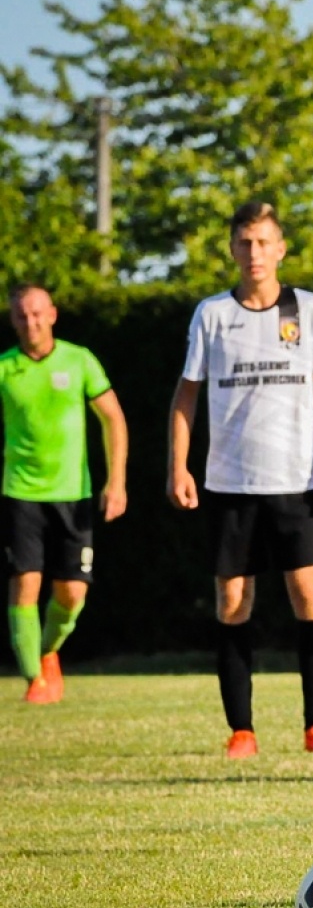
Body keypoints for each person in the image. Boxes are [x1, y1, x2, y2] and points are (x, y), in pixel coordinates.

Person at [169, 202, 313, 759]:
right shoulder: (212, 315)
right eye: (244, 243)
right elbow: (187, 395)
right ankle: (241, 730)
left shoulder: (308, 310)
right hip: (229, 483)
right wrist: (179, 465)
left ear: (280, 249)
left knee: (309, 594)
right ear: (232, 249)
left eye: (264, 242)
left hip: (296, 481)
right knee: (232, 600)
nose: (254, 253)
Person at [1, 284, 128, 703]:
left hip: (74, 495)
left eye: (37, 313)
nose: (30, 322)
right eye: (22, 315)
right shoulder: (5, 368)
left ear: (52, 314)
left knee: (72, 593)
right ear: (13, 319)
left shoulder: (79, 361)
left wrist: (116, 482)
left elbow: (113, 419)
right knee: (25, 583)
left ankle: (48, 651)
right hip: (20, 493)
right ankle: (34, 679)